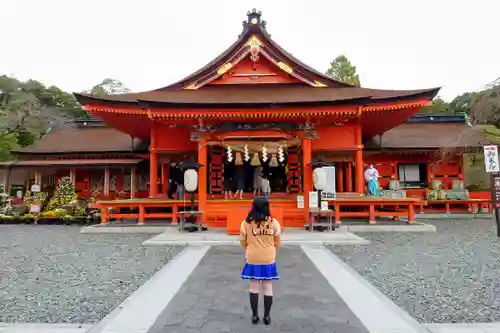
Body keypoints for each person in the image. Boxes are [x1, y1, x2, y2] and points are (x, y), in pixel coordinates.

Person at [240, 196, 281, 325]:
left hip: (253, 257)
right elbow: (277, 242)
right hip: (268, 257)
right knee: (268, 287)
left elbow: (242, 242)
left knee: (254, 286)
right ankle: (267, 317)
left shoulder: (246, 223)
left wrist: (250, 246)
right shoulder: (274, 223)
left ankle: (254, 316)